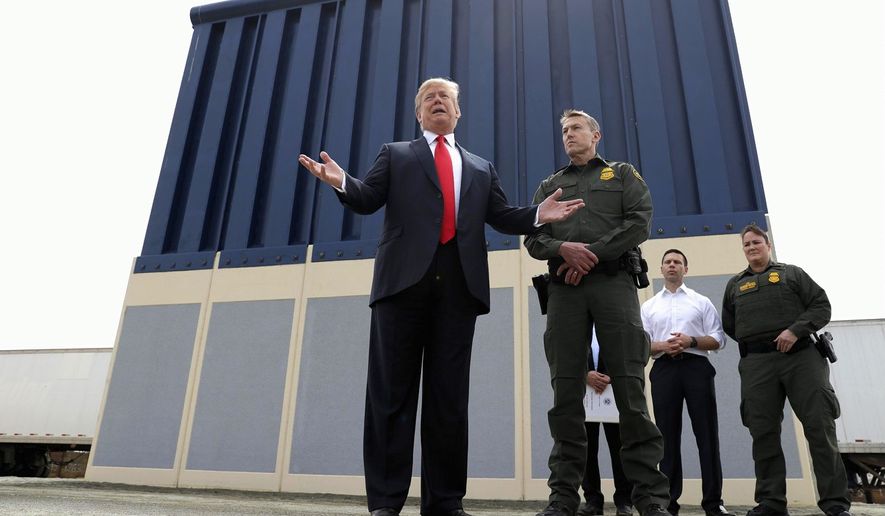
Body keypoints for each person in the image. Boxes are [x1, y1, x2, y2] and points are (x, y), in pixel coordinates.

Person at [298, 78, 584, 516]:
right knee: (390, 396)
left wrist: (537, 216)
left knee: (448, 401)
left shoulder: (480, 167)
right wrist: (342, 183)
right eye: (428, 97)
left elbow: (503, 216)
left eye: (445, 98)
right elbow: (368, 198)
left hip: (458, 288)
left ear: (457, 113)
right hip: (401, 288)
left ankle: (445, 502)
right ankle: (386, 503)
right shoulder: (395, 154)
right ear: (419, 114)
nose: (437, 101)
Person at [524, 109, 670, 516]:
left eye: (576, 129)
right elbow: (533, 237)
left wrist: (589, 255)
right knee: (565, 392)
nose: (569, 135)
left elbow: (639, 221)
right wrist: (562, 251)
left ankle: (650, 498)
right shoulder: (551, 185)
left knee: (630, 388)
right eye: (564, 131)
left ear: (596, 134)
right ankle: (564, 498)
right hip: (565, 292)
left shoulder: (622, 174)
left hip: (613, 284)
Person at [722, 224, 852, 516]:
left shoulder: (792, 274)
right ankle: (770, 502)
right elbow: (731, 325)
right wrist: (758, 344)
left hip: (801, 358)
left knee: (820, 427)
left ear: (767, 245)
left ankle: (835, 504)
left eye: (756, 242)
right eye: (746, 245)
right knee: (762, 431)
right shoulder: (734, 286)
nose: (752, 247)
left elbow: (821, 306)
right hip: (757, 364)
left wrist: (795, 330)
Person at [641, 249, 735, 516]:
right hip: (664, 370)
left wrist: (690, 341)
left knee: (707, 436)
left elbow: (718, 339)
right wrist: (662, 345)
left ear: (685, 269)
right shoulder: (649, 306)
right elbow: (642, 344)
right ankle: (667, 503)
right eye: (668, 262)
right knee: (666, 439)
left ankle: (713, 503)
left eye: (677, 262)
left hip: (696, 368)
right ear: (661, 269)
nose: (672, 265)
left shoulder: (701, 301)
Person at [579, 331, 634, 516]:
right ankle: (593, 501)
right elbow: (566, 352)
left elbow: (629, 350)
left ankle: (624, 501)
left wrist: (613, 375)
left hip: (614, 391)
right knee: (587, 448)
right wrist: (585, 374)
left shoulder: (613, 319)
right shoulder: (578, 321)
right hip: (585, 393)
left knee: (619, 447)